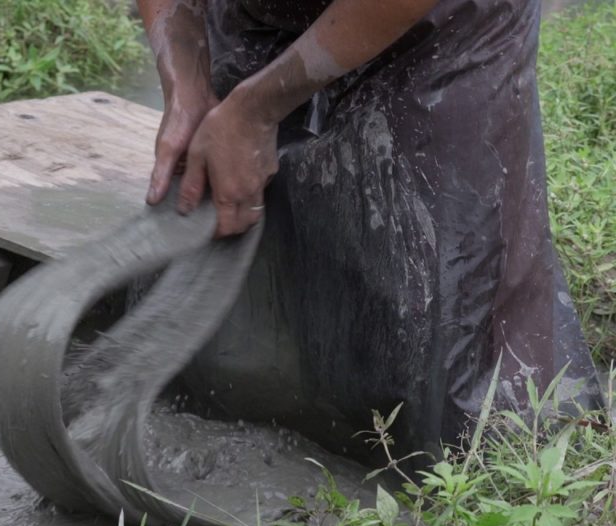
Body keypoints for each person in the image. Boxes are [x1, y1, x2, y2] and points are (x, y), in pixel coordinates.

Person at [136, 0, 603, 462]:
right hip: (266, 16)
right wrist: (185, 79)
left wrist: (252, 112)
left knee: (455, 417)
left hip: (443, 29)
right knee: (215, 351)